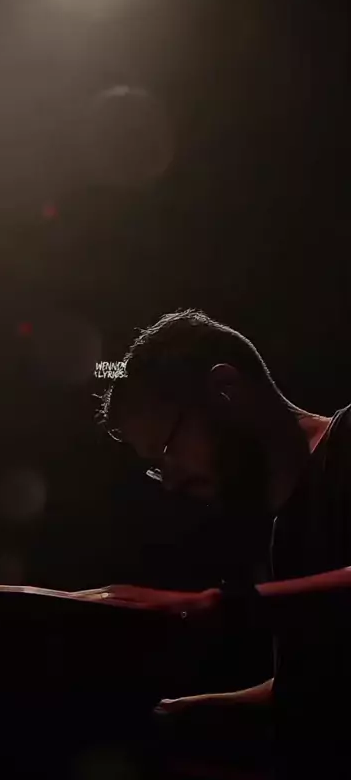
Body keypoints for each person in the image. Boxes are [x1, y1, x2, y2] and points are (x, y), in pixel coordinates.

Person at [74, 309, 351, 779]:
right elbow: (308, 690)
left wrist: (213, 607)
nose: (170, 482)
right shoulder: (284, 533)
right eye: (156, 468)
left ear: (226, 389)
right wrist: (172, 715)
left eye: (167, 450)